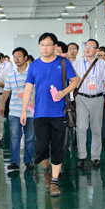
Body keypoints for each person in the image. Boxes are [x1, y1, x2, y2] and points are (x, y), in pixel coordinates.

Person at [21, 33, 79, 197]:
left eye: (48, 45)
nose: (45, 48)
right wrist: (24, 110)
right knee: (41, 147)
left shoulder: (63, 62)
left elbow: (75, 80)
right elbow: (28, 88)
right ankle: (46, 170)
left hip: (60, 113)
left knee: (58, 148)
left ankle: (54, 182)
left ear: (55, 46)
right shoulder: (34, 65)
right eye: (42, 44)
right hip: (41, 113)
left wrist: (64, 92)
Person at [73, 39, 105, 168]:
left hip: (97, 98)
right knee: (81, 127)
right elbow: (72, 81)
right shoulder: (76, 63)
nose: (88, 48)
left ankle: (96, 157)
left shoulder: (103, 64)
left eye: (91, 46)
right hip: (81, 98)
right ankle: (82, 156)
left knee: (96, 129)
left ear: (96, 50)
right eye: (86, 46)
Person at [1, 47, 35, 171]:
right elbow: (6, 90)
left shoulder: (32, 71)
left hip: (30, 111)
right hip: (15, 111)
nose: (16, 59)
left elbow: (37, 88)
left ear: (26, 58)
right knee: (14, 137)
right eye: (14, 56)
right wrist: (2, 105)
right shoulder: (10, 73)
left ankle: (28, 161)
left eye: (19, 56)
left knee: (30, 137)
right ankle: (14, 162)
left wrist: (34, 101)